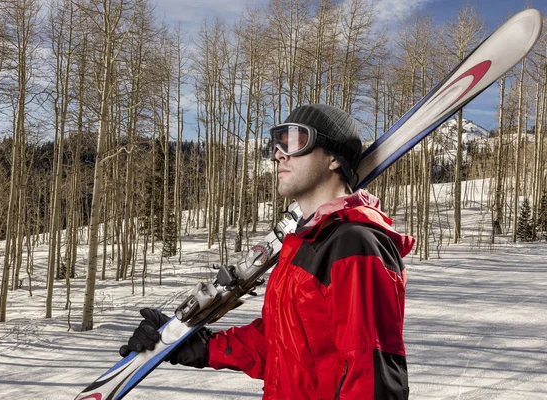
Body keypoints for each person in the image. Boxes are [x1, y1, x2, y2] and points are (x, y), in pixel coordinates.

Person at [120, 104, 414, 399]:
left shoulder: (355, 244)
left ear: (333, 159)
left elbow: (371, 374)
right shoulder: (304, 244)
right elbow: (280, 343)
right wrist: (197, 345)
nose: (278, 154)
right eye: (277, 143)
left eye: (295, 140)